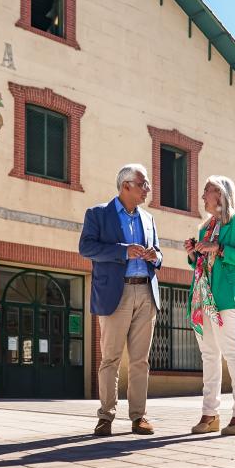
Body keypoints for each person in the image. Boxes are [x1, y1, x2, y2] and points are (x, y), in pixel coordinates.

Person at [79, 164, 162, 437]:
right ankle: (106, 416)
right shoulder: (98, 214)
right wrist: (124, 251)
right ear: (126, 186)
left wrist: (154, 257)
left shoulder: (148, 219)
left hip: (146, 292)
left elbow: (159, 254)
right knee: (110, 358)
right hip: (117, 293)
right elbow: (87, 248)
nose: (147, 189)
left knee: (140, 360)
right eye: (143, 184)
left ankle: (139, 417)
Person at [185, 176, 235, 436]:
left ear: (221, 193)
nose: (203, 196)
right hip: (202, 297)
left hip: (226, 296)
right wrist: (194, 253)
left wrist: (219, 248)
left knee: (231, 351)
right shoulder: (206, 226)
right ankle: (209, 414)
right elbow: (201, 264)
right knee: (209, 355)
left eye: (207, 191)